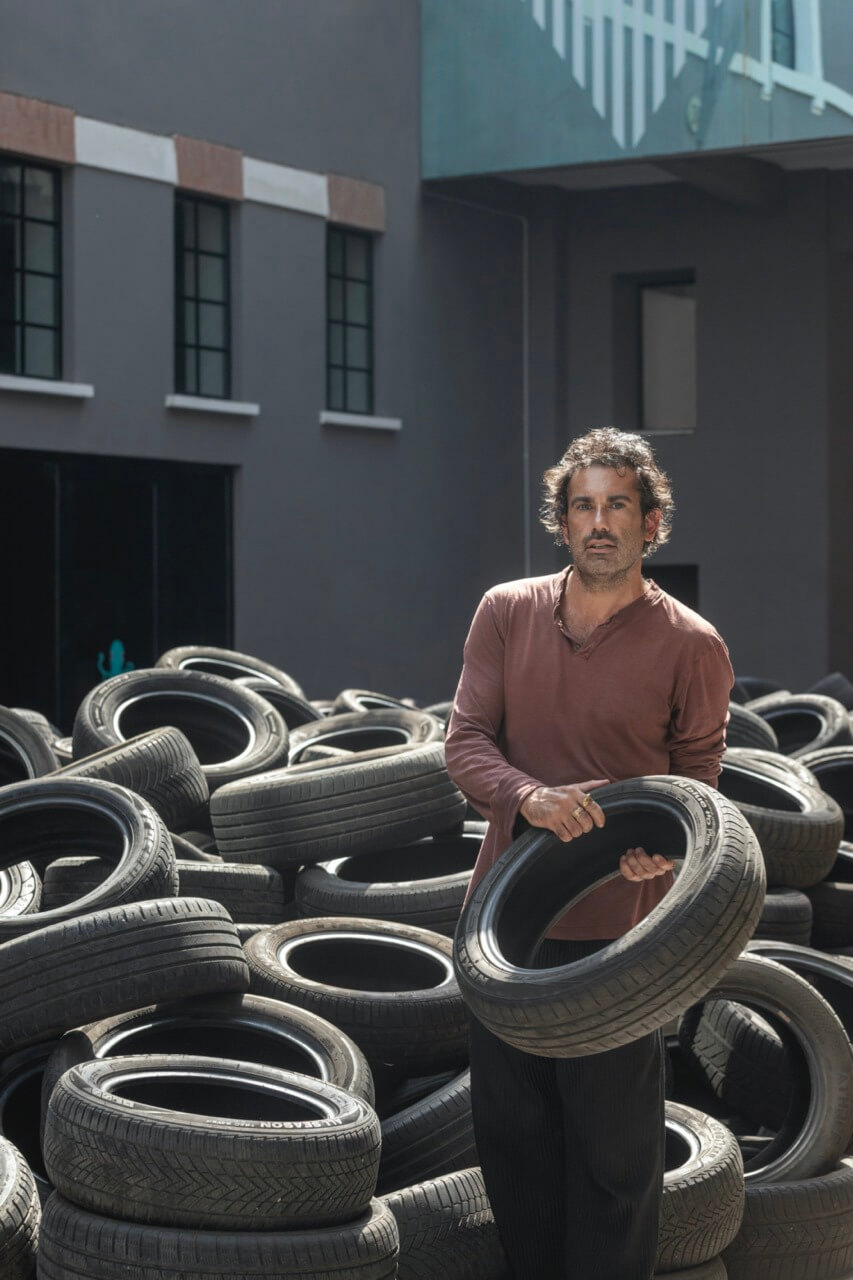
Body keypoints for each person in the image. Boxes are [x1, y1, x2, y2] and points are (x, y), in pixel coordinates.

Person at [444, 427, 734, 1280]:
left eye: (617, 506)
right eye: (582, 506)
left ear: (651, 523)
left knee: (613, 1164)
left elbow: (697, 786)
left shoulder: (691, 643)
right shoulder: (505, 612)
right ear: (562, 521)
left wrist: (663, 854)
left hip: (620, 944)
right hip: (501, 932)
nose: (598, 523)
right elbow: (464, 742)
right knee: (515, 1148)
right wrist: (527, 796)